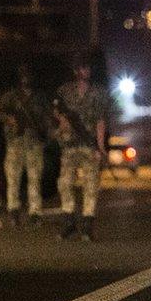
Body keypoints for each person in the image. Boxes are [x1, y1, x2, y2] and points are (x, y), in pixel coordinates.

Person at [54, 54, 111, 242]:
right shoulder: (65, 91)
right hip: (69, 145)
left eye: (86, 68)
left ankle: (87, 224)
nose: (84, 71)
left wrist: (101, 147)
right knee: (65, 183)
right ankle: (68, 220)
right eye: (80, 68)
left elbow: (101, 120)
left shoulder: (98, 93)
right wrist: (62, 122)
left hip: (88, 145)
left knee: (91, 186)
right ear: (74, 70)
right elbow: (56, 111)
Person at [0, 65, 50, 227]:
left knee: (35, 179)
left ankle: (35, 213)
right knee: (13, 179)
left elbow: (47, 119)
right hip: (15, 143)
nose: (26, 79)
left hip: (34, 143)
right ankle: (14, 211)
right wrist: (10, 119)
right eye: (24, 75)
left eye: (29, 75)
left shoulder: (40, 98)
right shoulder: (12, 96)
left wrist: (47, 135)